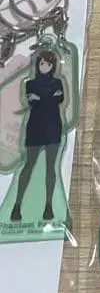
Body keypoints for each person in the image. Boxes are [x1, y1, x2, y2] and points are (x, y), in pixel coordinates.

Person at [11, 50, 64, 221]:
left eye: (48, 64)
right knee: (29, 165)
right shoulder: (30, 84)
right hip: (36, 128)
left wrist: (42, 99)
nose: (45, 66)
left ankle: (48, 206)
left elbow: (59, 99)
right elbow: (33, 101)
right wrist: (49, 98)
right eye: (42, 63)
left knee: (51, 167)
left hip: (53, 127)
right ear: (37, 64)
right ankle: (17, 205)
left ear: (53, 66)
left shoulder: (57, 82)